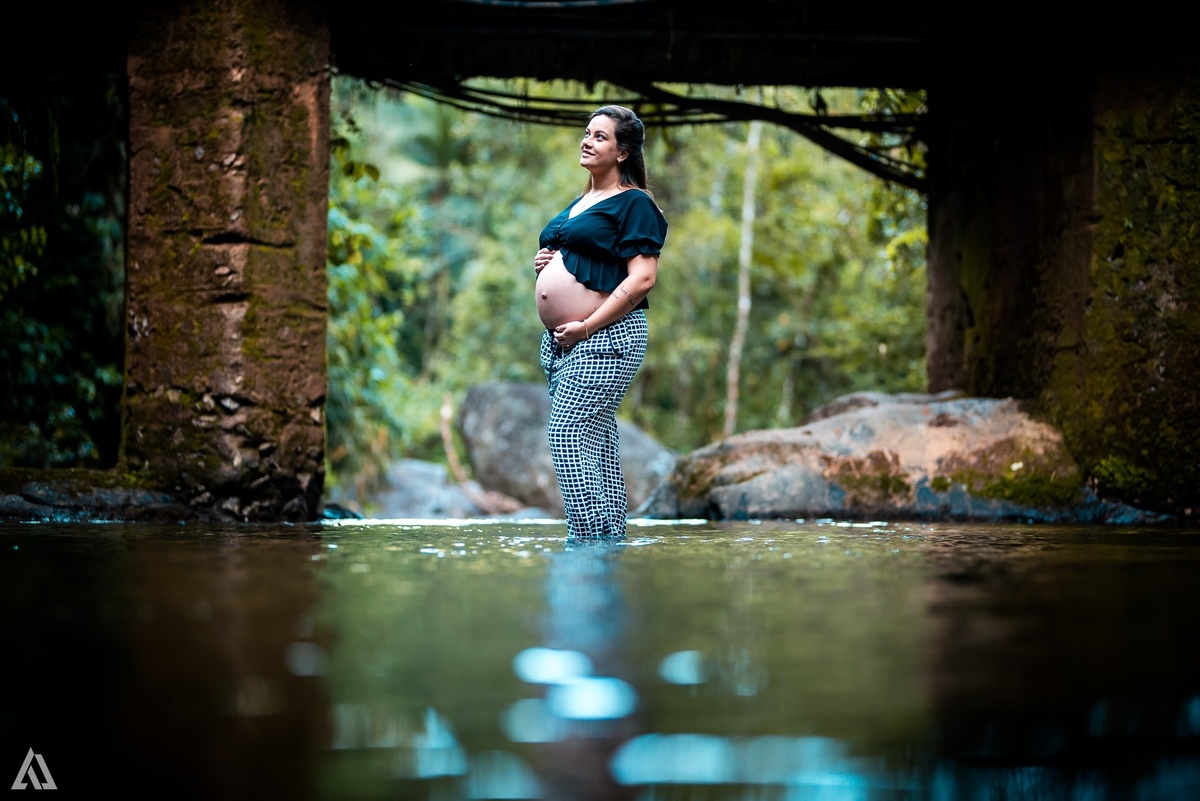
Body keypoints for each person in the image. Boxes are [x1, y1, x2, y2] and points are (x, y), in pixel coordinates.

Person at [532, 105, 668, 538]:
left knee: (567, 431)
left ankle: (587, 537)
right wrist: (549, 262)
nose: (587, 141)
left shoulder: (635, 203)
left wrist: (587, 325)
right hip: (567, 341)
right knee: (596, 436)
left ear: (623, 152)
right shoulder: (583, 201)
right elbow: (588, 253)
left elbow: (643, 277)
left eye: (600, 136)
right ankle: (609, 538)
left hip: (606, 335)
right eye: (587, 133)